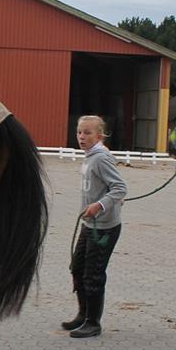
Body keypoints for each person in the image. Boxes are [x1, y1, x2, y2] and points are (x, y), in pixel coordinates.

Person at [62, 115, 127, 338]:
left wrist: (100, 205)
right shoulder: (92, 156)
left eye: (87, 133)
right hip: (90, 224)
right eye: (79, 132)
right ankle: (83, 314)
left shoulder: (99, 158)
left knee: (93, 274)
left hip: (104, 227)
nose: (81, 136)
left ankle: (93, 322)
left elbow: (119, 187)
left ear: (99, 135)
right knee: (77, 267)